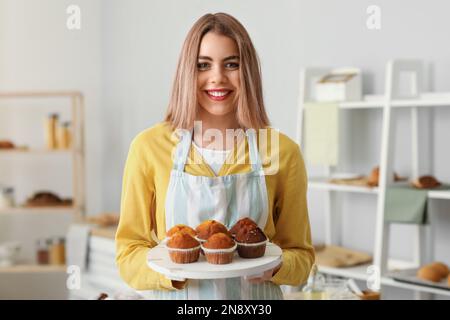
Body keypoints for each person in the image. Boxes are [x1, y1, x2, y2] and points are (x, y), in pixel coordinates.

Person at [116, 12, 314, 300]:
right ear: (187, 72)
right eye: (203, 65)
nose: (217, 78)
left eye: (231, 64)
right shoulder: (149, 148)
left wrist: (277, 267)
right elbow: (128, 253)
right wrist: (172, 272)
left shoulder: (281, 151)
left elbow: (302, 256)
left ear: (248, 72)